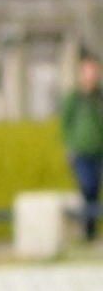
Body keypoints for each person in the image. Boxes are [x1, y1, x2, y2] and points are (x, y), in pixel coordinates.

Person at [63, 54, 103, 229]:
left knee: (95, 188)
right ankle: (89, 228)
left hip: (100, 150)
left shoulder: (99, 97)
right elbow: (65, 124)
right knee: (87, 187)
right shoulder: (74, 98)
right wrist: (68, 148)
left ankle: (90, 228)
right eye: (88, 71)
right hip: (81, 152)